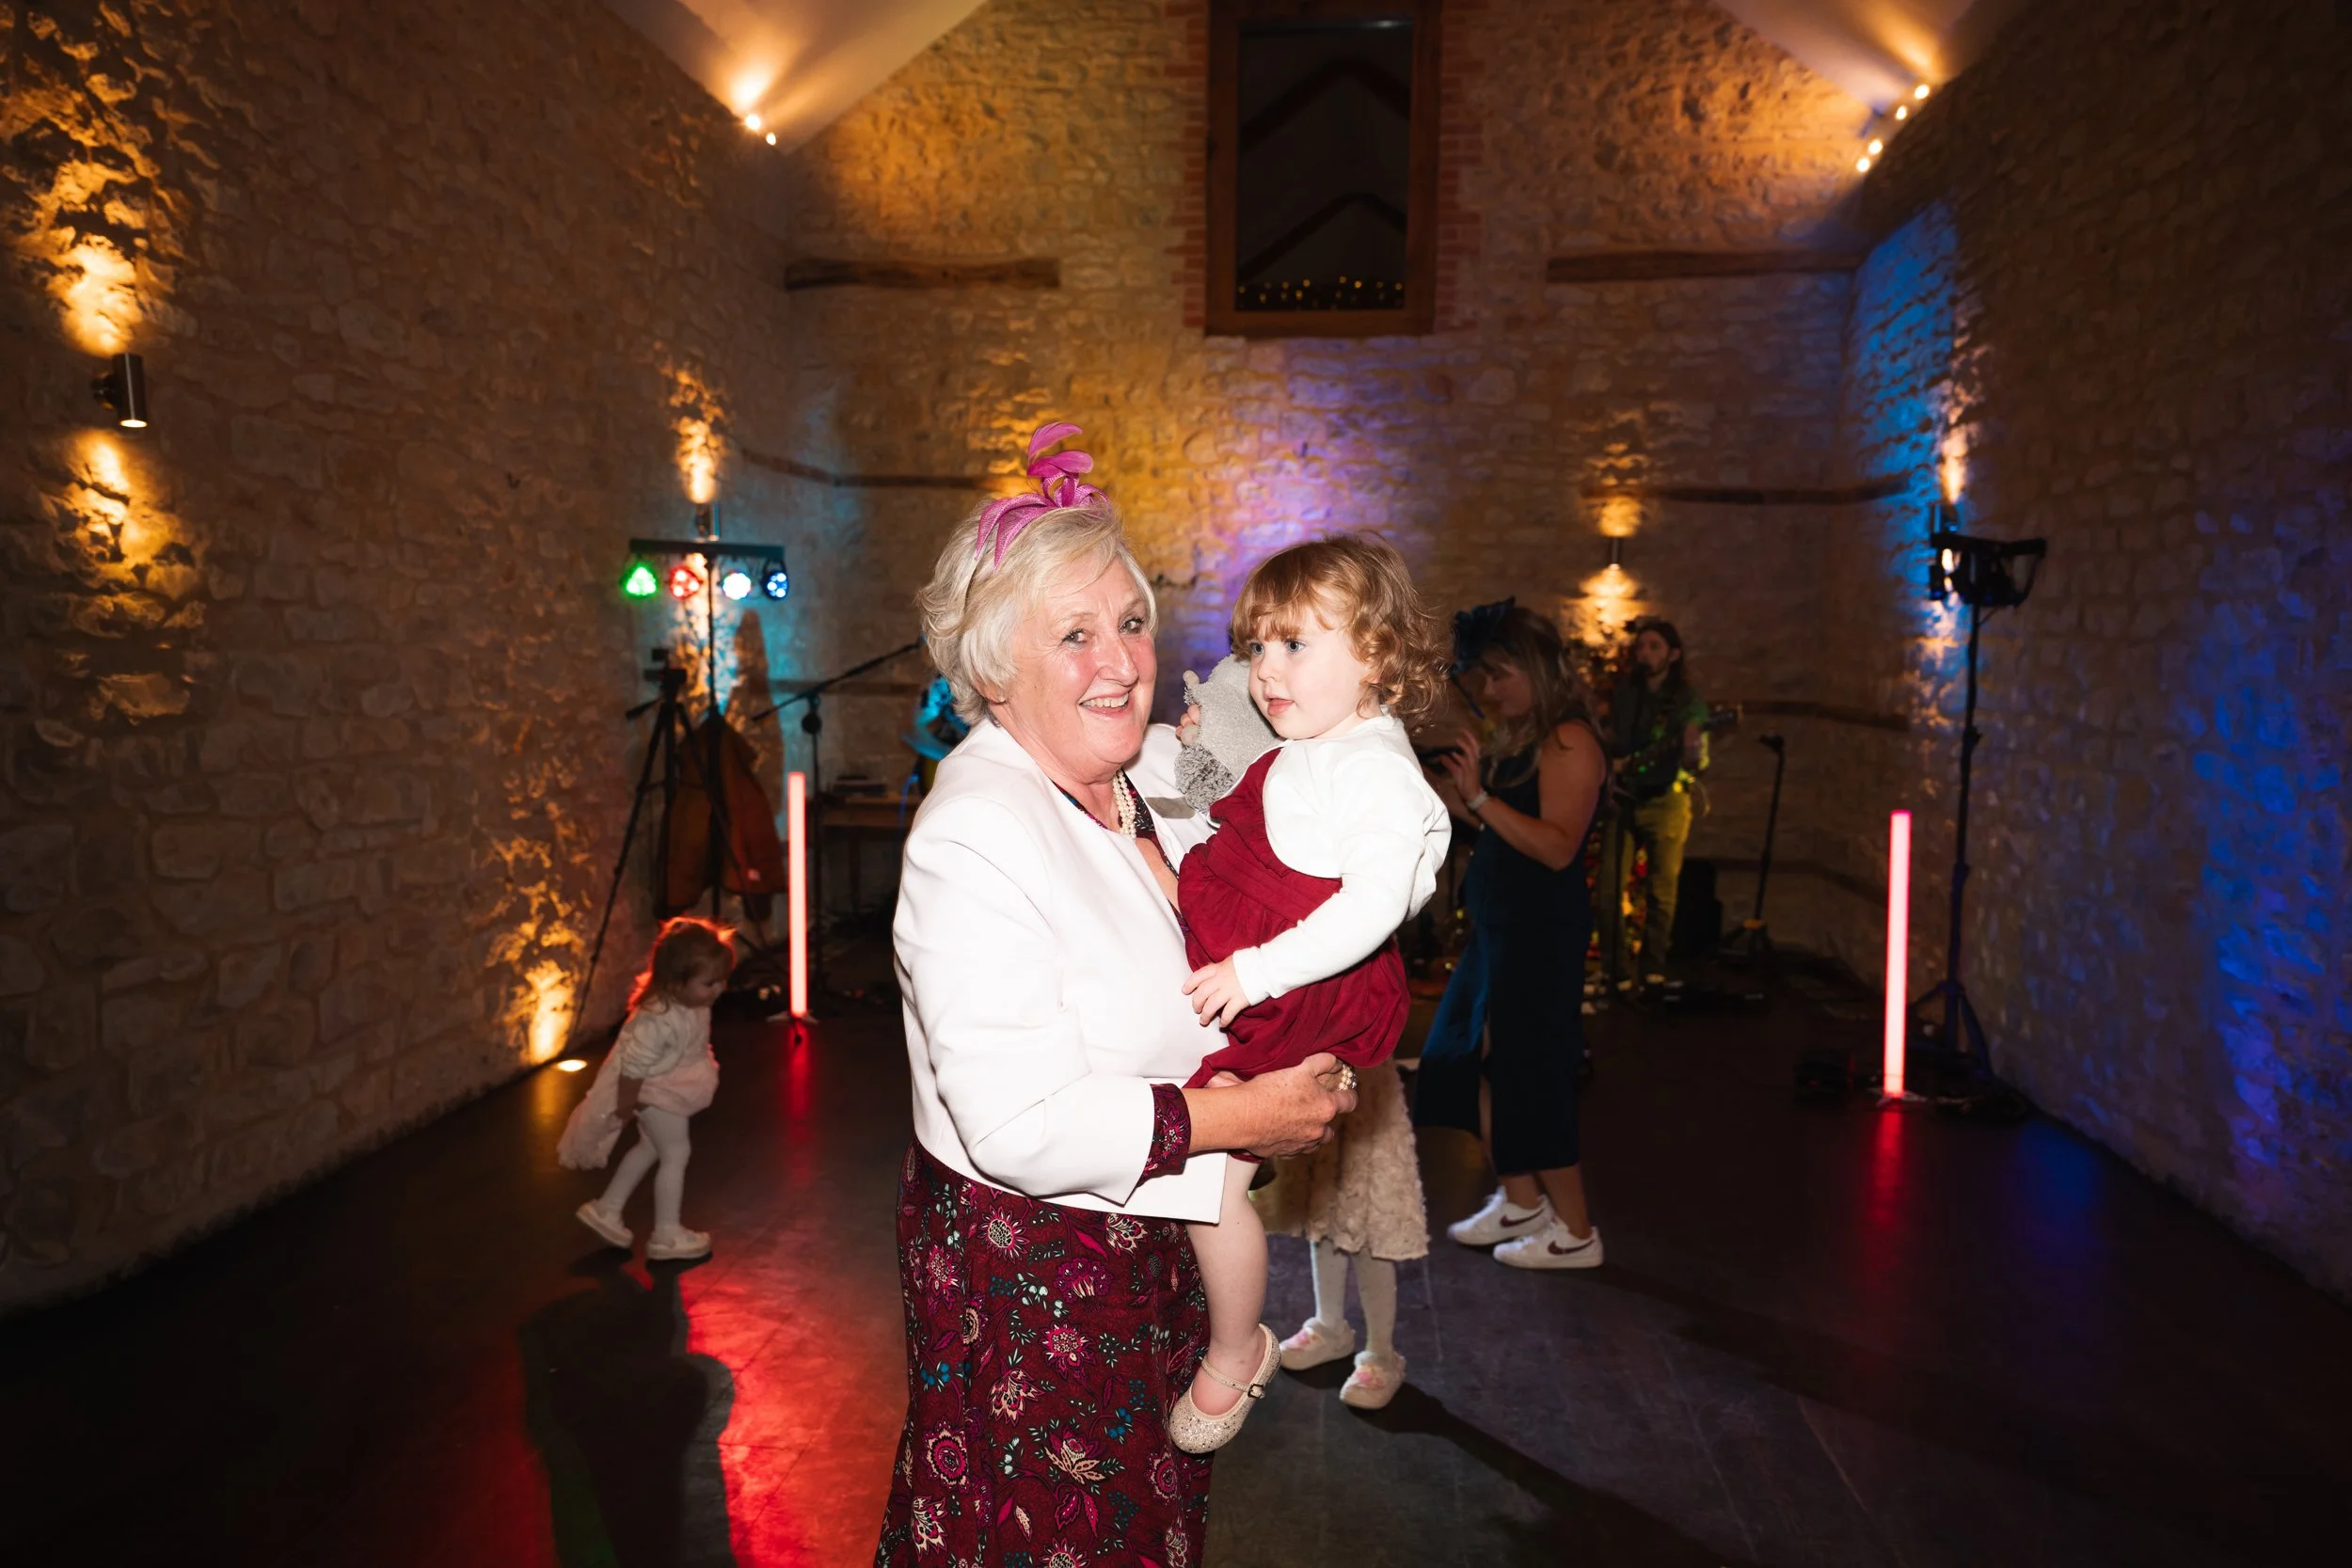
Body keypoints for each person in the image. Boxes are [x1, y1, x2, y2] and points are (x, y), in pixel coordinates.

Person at [877, 422, 1357, 1567]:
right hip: (1037, 1276)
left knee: (1146, 1526)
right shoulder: (975, 832)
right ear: (993, 668)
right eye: (1075, 635)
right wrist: (1247, 1116)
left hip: (1152, 1248)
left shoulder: (1139, 772)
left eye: (1132, 623)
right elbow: (1018, 1122)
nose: (1122, 662)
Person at [1165, 534, 1452, 1452]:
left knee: (1213, 1184)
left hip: (1300, 996)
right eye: (1257, 647)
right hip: (1270, 967)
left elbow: (1375, 902)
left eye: (1295, 645)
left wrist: (1253, 970)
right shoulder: (1316, 744)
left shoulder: (1370, 764)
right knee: (1193, 1167)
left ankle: (1231, 1346)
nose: (1265, 670)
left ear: (1373, 653)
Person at [1415, 602, 1613, 1269]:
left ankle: (1577, 1232)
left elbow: (1556, 848)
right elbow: (1498, 827)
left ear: (1535, 668)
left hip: (1540, 934)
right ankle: (1522, 1199)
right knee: (1465, 1058)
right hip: (1500, 930)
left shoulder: (1569, 740)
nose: (1491, 691)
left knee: (1531, 1075)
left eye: (1501, 676)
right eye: (1485, 677)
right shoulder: (1523, 737)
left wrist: (1476, 800)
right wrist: (1436, 790)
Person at [1252, 1054, 1428, 1410]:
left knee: (1366, 1220)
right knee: (1324, 1211)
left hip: (1366, 1087)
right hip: (1319, 1079)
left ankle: (1381, 1353)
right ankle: (1330, 1325)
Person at [560, 917, 734, 1261]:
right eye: (709, 983)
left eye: (721, 981)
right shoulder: (658, 1019)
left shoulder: (689, 1001)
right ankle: (666, 1235)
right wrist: (626, 1106)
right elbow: (632, 1068)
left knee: (650, 1147)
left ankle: (607, 1208)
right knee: (676, 1154)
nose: (718, 990)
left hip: (664, 1087)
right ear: (675, 981)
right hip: (655, 1092)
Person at [1600, 615, 1709, 987]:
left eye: (1654, 647)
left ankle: (1652, 970)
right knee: (1609, 888)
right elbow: (1613, 739)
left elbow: (1697, 759)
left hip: (1666, 800)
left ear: (1674, 654)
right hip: (1625, 799)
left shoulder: (1686, 701)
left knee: (1662, 891)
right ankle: (1615, 971)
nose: (1644, 654)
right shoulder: (1627, 693)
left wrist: (1693, 748)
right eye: (1641, 646)